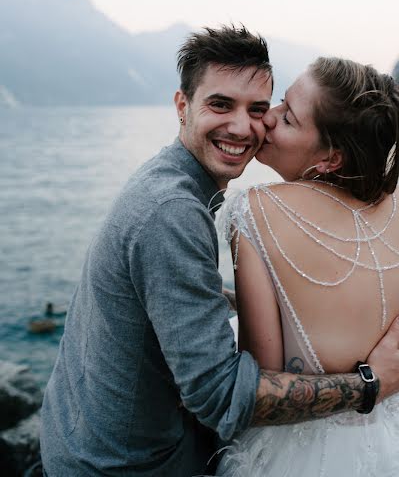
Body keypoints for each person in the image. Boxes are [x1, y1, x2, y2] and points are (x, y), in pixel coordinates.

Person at [40, 27, 399, 477]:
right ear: (181, 106)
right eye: (220, 104)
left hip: (84, 432)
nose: (247, 126)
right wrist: (371, 384)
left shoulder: (174, 182)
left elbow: (181, 298)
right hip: (125, 464)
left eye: (261, 109)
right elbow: (220, 396)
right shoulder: (172, 212)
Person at [217, 57, 399, 476]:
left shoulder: (255, 210)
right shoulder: (393, 209)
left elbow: (264, 376)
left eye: (289, 118)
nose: (268, 117)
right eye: (281, 101)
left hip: (300, 455)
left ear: (331, 159)